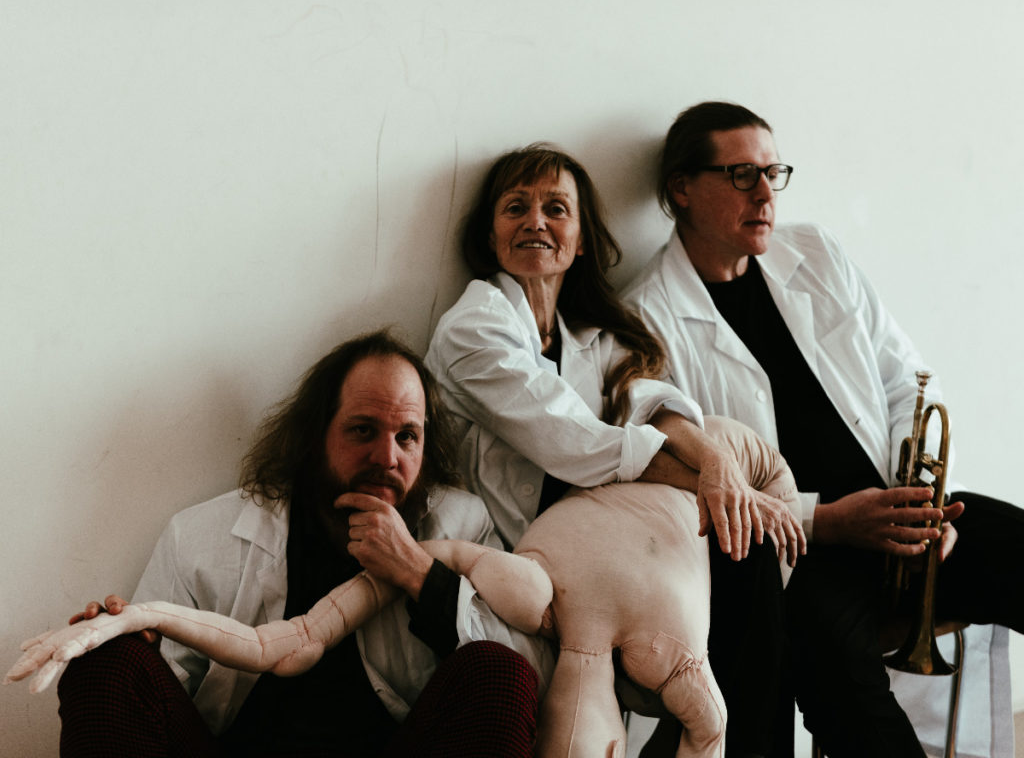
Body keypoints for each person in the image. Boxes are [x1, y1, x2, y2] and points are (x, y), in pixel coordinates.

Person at [623, 100, 1024, 758]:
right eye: (741, 175)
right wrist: (833, 520)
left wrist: (919, 501)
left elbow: (906, 379)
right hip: (803, 557)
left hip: (901, 520)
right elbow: (689, 483)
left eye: (772, 173)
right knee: (841, 680)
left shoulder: (815, 252)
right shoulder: (647, 318)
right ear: (681, 190)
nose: (764, 195)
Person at [425, 143, 805, 758]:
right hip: (515, 576)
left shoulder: (589, 338)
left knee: (746, 551)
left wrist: (716, 464)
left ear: (580, 241)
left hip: (599, 569)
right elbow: (575, 440)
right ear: (490, 236)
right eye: (515, 208)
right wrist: (710, 482)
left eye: (556, 209)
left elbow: (650, 400)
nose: (535, 222)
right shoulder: (473, 328)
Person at [56, 330, 549, 758]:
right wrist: (131, 644)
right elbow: (159, 695)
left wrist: (420, 573)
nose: (387, 456)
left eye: (407, 436)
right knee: (104, 658)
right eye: (363, 430)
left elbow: (531, 679)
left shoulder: (462, 523)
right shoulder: (200, 535)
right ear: (316, 435)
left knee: (499, 672)